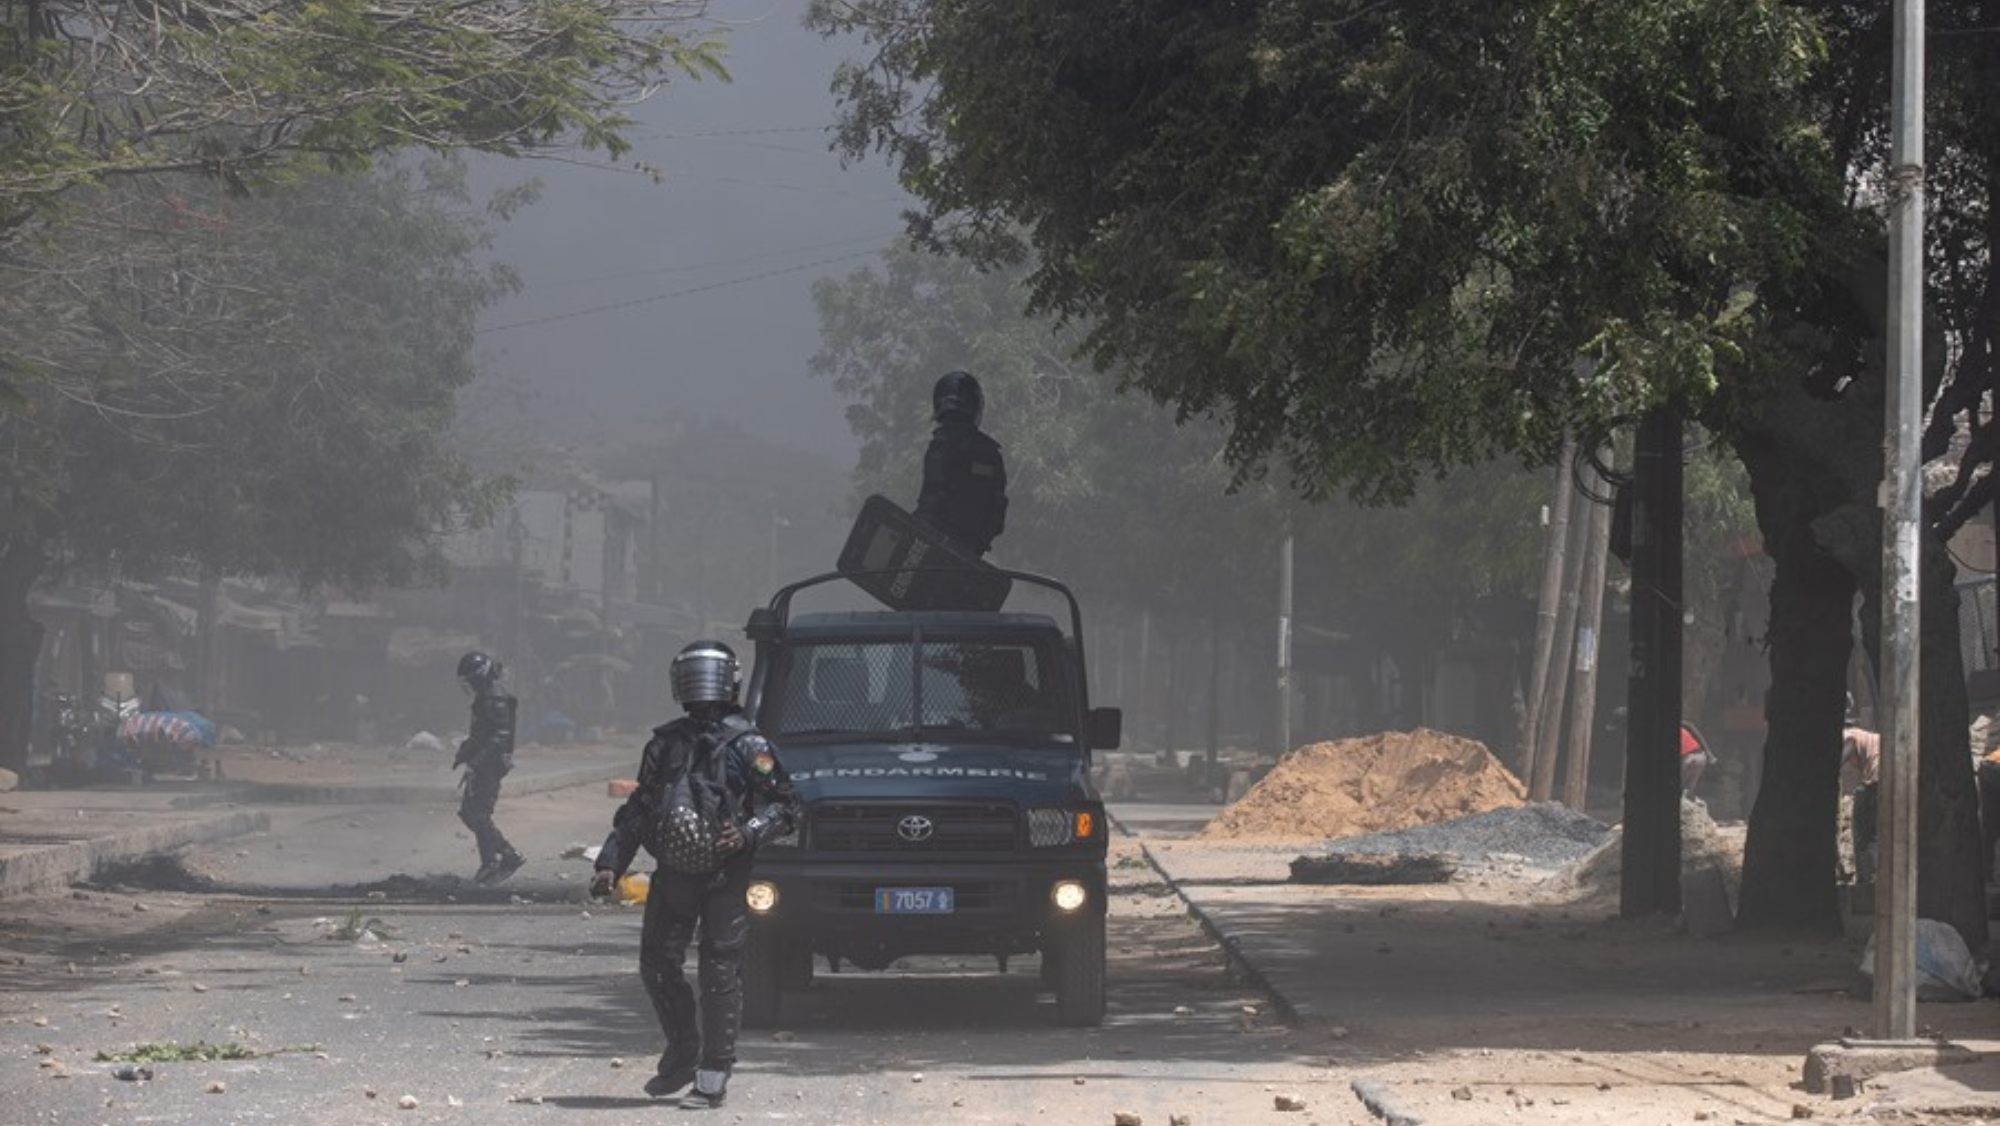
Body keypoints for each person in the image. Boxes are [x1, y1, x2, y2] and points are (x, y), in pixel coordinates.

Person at [590, 640, 800, 1109]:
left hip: (726, 873)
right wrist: (610, 863)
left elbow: (786, 807)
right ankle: (684, 1051)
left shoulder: (751, 746)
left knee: (718, 969)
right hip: (674, 872)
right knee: (658, 965)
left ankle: (713, 1073)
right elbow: (640, 808)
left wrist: (746, 834)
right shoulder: (665, 744)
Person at [914, 370, 1008, 557]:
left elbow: (931, 498)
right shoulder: (991, 454)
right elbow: (997, 510)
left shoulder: (941, 445)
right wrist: (976, 546)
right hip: (967, 556)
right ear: (976, 406)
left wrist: (915, 531)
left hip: (933, 551)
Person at [453, 651, 524, 886]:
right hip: (483, 763)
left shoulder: (495, 698)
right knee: (468, 812)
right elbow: (481, 734)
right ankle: (502, 855)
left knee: (479, 814)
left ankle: (496, 860)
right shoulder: (486, 697)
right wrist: (465, 751)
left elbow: (499, 736)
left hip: (489, 765)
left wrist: (476, 762)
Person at [1841, 722, 1881, 885]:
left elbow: (1849, 744)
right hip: (1885, 785)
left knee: (1862, 835)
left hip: (1874, 785)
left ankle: (1866, 880)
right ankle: (1875, 877)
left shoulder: (1848, 734)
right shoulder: (1871, 738)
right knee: (1875, 836)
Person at [1679, 722, 1717, 797]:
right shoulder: (1684, 727)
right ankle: (1689, 795)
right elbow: (1693, 729)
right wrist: (1709, 753)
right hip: (1701, 757)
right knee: (1690, 787)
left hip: (1687, 759)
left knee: (1682, 785)